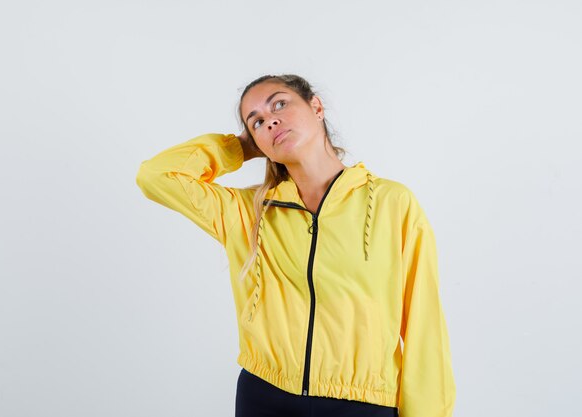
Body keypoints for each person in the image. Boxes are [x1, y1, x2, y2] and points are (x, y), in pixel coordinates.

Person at [135, 74, 456, 417]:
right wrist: (240, 147)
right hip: (264, 397)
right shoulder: (248, 212)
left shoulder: (393, 204)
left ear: (316, 106)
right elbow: (156, 177)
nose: (270, 119)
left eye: (280, 104)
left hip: (362, 404)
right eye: (256, 121)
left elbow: (425, 327)